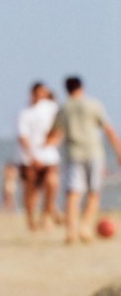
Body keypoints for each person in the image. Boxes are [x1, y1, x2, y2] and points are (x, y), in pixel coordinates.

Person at [45, 75, 121, 244]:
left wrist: (45, 143)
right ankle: (85, 226)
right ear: (82, 88)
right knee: (94, 193)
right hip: (94, 153)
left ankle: (71, 231)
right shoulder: (94, 105)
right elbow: (109, 130)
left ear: (66, 90)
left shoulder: (64, 108)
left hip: (73, 154)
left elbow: (52, 133)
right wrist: (119, 151)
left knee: (73, 194)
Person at [15, 81, 60, 231]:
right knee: (31, 191)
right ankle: (31, 221)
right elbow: (23, 137)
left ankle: (46, 215)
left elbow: (60, 127)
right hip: (29, 159)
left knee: (52, 183)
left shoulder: (52, 108)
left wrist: (55, 139)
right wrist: (32, 156)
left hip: (49, 157)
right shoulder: (25, 113)